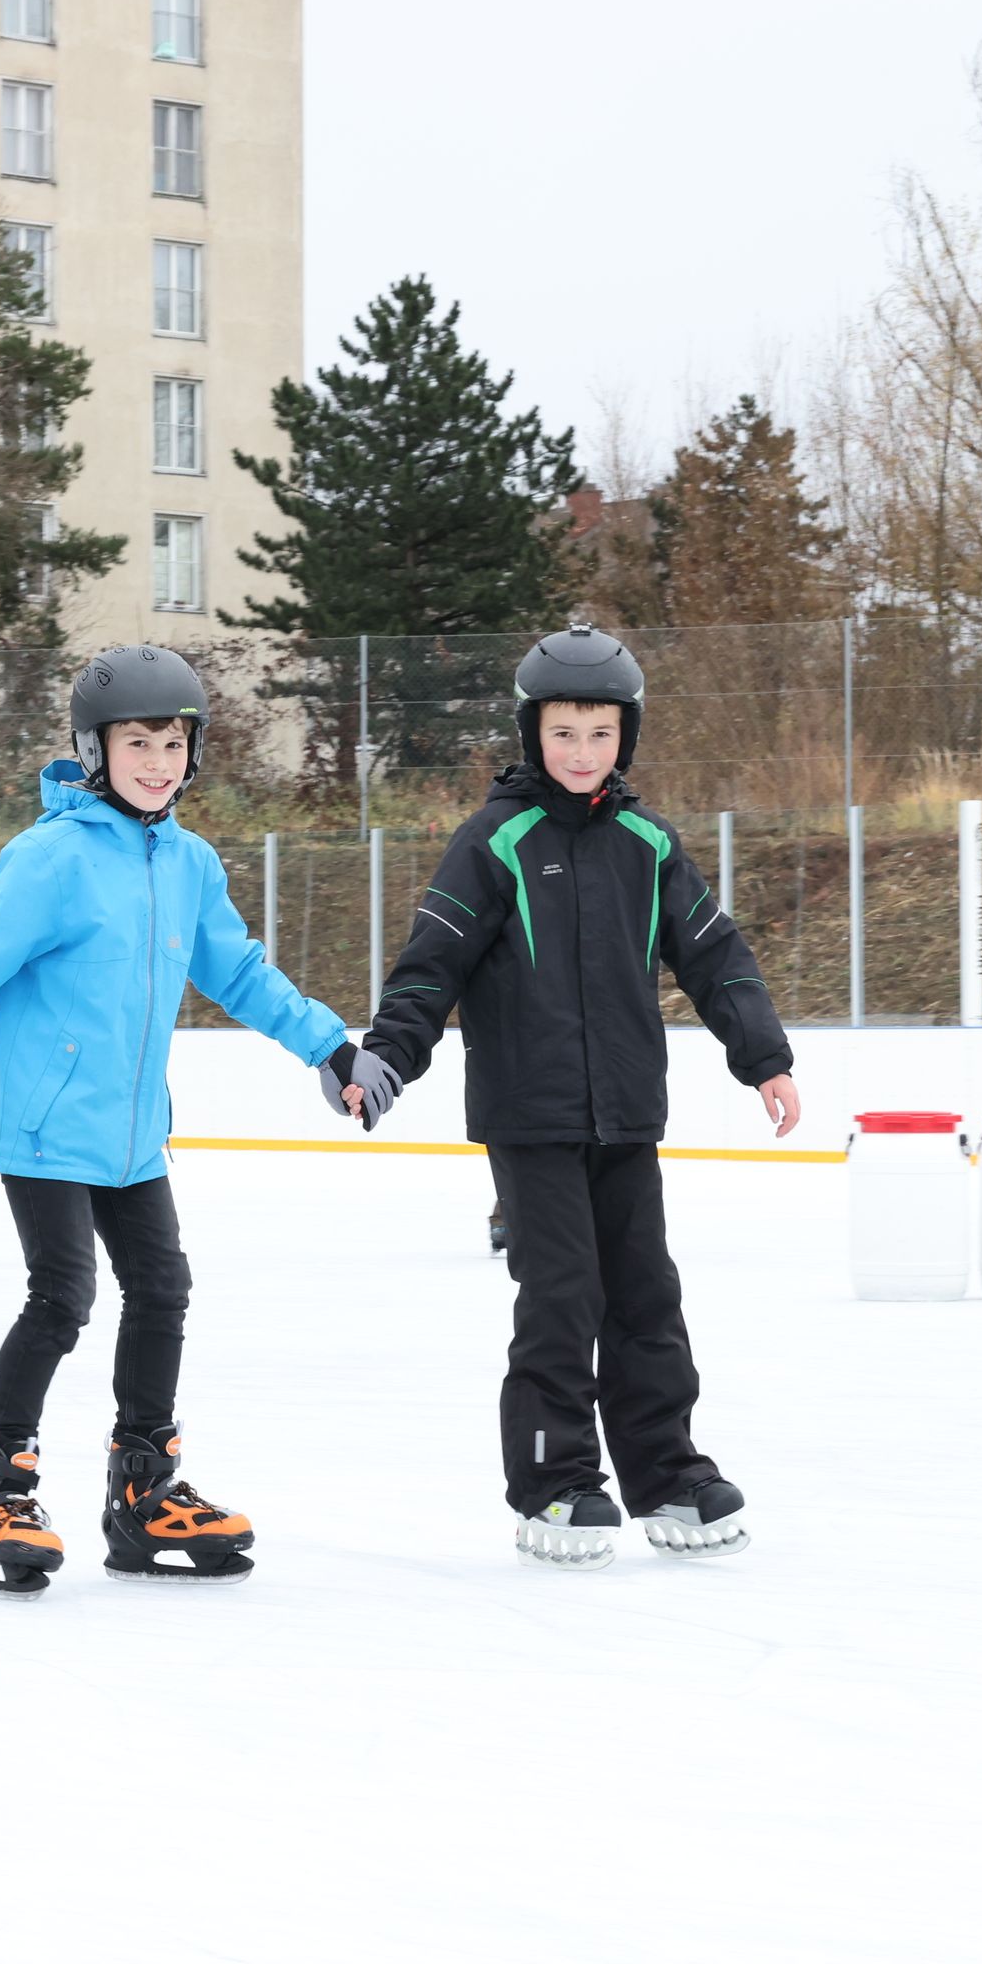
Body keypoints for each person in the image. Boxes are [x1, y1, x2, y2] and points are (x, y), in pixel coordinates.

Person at [0, 646, 383, 1597]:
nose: (157, 761)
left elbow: (241, 972)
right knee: (63, 1297)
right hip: (46, 1123)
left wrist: (329, 1049)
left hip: (134, 1131)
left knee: (163, 1288)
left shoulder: (188, 862)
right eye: (137, 742)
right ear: (95, 749)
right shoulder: (49, 859)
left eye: (173, 743)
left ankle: (143, 1489)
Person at [357, 626, 801, 1570]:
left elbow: (716, 955)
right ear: (532, 733)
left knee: (646, 1294)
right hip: (531, 1112)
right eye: (564, 733)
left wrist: (763, 1055)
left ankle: (670, 1474)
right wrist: (387, 1056)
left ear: (625, 737)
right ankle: (557, 1481)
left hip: (628, 1112)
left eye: (601, 734)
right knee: (562, 1295)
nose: (582, 753)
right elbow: (429, 965)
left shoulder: (648, 843)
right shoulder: (494, 843)